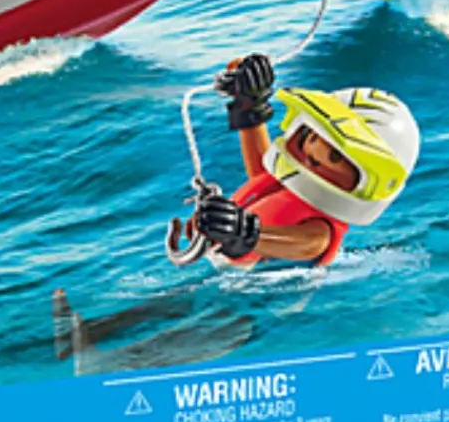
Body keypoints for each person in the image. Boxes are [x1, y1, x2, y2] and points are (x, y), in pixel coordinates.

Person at [170, 55, 418, 269]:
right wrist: (249, 106)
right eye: (313, 136)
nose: (313, 152)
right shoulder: (290, 185)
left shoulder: (320, 232)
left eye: (334, 156)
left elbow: (307, 245)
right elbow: (261, 174)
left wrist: (240, 232)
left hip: (257, 301)